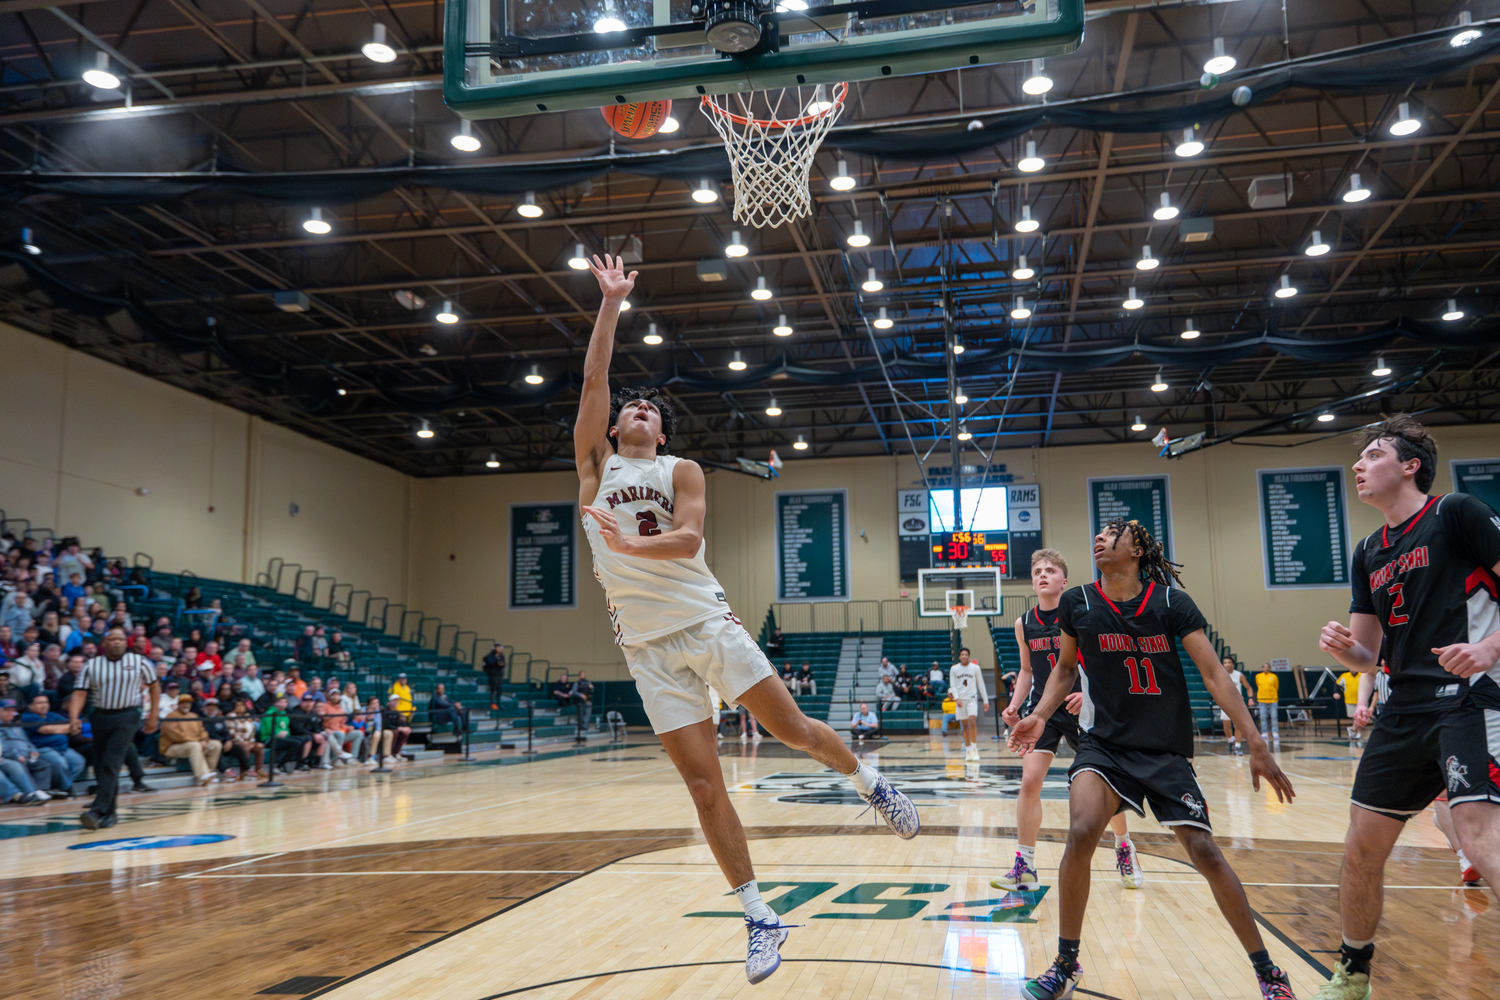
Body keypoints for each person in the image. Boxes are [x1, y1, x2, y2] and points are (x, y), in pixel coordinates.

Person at [573, 254, 917, 985]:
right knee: (705, 788)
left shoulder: (680, 472)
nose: (637, 409)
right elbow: (594, 381)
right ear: (612, 429)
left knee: (794, 732)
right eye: (629, 406)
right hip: (647, 650)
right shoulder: (594, 470)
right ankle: (760, 915)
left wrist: (629, 540)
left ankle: (869, 782)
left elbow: (690, 540)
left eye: (650, 409)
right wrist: (611, 305)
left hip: (706, 623)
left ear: (661, 434)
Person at [1008, 517, 1297, 1000]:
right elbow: (1061, 671)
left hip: (1163, 747)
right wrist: (1039, 714)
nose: (1099, 539)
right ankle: (1065, 961)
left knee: (1204, 851)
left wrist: (1256, 741)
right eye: (1097, 534)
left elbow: (1213, 674)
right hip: (1104, 745)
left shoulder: (1170, 602)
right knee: (1081, 832)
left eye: (1111, 534)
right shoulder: (1078, 602)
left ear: (1137, 549)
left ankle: (1268, 973)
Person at [1312, 415, 1500, 1000]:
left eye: (1371, 455)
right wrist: (1349, 650)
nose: (1358, 467)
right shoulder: (1368, 550)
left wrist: (1490, 647)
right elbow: (1369, 656)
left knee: (1477, 835)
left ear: (1410, 465)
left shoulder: (1455, 513)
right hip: (1402, 710)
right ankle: (1353, 973)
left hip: (1468, 699)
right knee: (1360, 848)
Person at [996, 548, 1141, 895]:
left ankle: (1123, 845)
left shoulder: (1080, 615)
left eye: (1049, 570)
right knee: (1030, 781)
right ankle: (1025, 865)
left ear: (1064, 580)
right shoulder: (1024, 623)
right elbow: (1029, 672)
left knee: (1105, 784)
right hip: (1043, 711)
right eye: (1037, 572)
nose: (1042, 575)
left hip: (1083, 708)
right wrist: (1014, 705)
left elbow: (1100, 665)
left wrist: (1087, 695)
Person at [68, 626, 160, 829]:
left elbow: (154, 687)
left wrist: (153, 715)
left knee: (112, 761)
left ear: (126, 642)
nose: (117, 642)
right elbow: (80, 693)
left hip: (127, 716)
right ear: (105, 644)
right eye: (113, 639)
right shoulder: (91, 665)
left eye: (120, 639)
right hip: (100, 716)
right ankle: (111, 812)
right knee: (100, 763)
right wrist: (74, 717)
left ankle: (97, 809)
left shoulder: (139, 662)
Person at [22, 693, 86, 789]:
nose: (44, 705)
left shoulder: (51, 715)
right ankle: (67, 788)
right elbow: (46, 729)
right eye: (39, 703)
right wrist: (67, 727)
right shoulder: (28, 717)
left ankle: (61, 787)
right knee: (60, 762)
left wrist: (66, 727)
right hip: (42, 749)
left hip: (62, 748)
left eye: (46, 702)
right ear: (31, 705)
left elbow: (76, 726)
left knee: (78, 761)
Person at [159, 694, 222, 784]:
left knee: (215, 744)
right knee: (194, 745)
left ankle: (210, 773)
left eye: (188, 703)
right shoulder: (171, 716)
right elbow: (175, 735)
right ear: (178, 704)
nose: (186, 705)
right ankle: (202, 776)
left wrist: (203, 740)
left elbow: (203, 731)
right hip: (172, 747)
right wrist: (196, 741)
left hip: (193, 745)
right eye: (183, 703)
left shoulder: (194, 716)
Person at [948, 647, 990, 762]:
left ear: (969, 656)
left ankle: (974, 748)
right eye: (962, 654)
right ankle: (968, 749)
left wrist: (986, 700)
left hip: (972, 698)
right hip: (960, 700)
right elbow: (953, 685)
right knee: (965, 725)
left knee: (972, 720)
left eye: (966, 654)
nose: (964, 656)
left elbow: (981, 684)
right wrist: (956, 699)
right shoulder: (954, 669)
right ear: (960, 656)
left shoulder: (975, 668)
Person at [199, 700, 247, 780]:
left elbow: (226, 732)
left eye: (213, 706)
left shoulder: (219, 719)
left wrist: (228, 740)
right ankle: (225, 771)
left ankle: (245, 770)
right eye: (209, 706)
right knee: (217, 747)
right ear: (204, 707)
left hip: (224, 743)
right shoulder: (202, 719)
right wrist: (221, 741)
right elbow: (208, 733)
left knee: (238, 748)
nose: (211, 708)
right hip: (212, 742)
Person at [1220, 656, 1254, 755]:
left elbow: (1248, 688)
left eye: (1229, 662)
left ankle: (1237, 747)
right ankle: (1230, 740)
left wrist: (1250, 698)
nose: (1227, 664)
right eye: (1225, 662)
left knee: (1238, 726)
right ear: (1222, 664)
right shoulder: (1220, 675)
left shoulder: (1239, 675)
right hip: (1225, 703)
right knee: (1226, 727)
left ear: (1233, 664)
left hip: (1237, 703)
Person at [381, 695, 411, 763]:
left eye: (397, 701)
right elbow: (386, 724)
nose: (396, 703)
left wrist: (405, 727)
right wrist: (398, 728)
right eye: (394, 701)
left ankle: (396, 753)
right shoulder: (385, 711)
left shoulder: (396, 712)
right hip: (386, 729)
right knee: (395, 732)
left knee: (404, 732)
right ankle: (390, 753)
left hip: (394, 729)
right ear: (389, 702)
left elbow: (398, 723)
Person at [1254, 663, 1280, 741]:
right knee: (1263, 717)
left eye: (1267, 667)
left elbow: (1276, 686)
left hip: (1273, 699)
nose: (1266, 668)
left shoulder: (1273, 676)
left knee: (1274, 717)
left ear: (1269, 668)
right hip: (1262, 699)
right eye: (1264, 667)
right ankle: (1264, 732)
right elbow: (1258, 685)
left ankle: (1275, 732)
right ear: (1262, 668)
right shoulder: (1258, 676)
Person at [1335, 667, 1362, 740]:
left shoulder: (1362, 675)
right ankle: (1357, 731)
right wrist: (1336, 693)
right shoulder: (1344, 676)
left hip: (1361, 700)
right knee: (1355, 717)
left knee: (1360, 717)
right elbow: (1337, 685)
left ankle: (1353, 729)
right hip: (1349, 700)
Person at [571, 672, 594, 741]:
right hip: (580, 700)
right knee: (581, 710)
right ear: (579, 676)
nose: (583, 676)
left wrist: (591, 688)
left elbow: (591, 691)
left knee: (589, 708)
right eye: (582, 674)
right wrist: (581, 695)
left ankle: (585, 724)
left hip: (587, 698)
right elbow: (574, 692)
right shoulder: (577, 683)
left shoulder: (588, 682)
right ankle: (580, 725)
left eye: (584, 674)